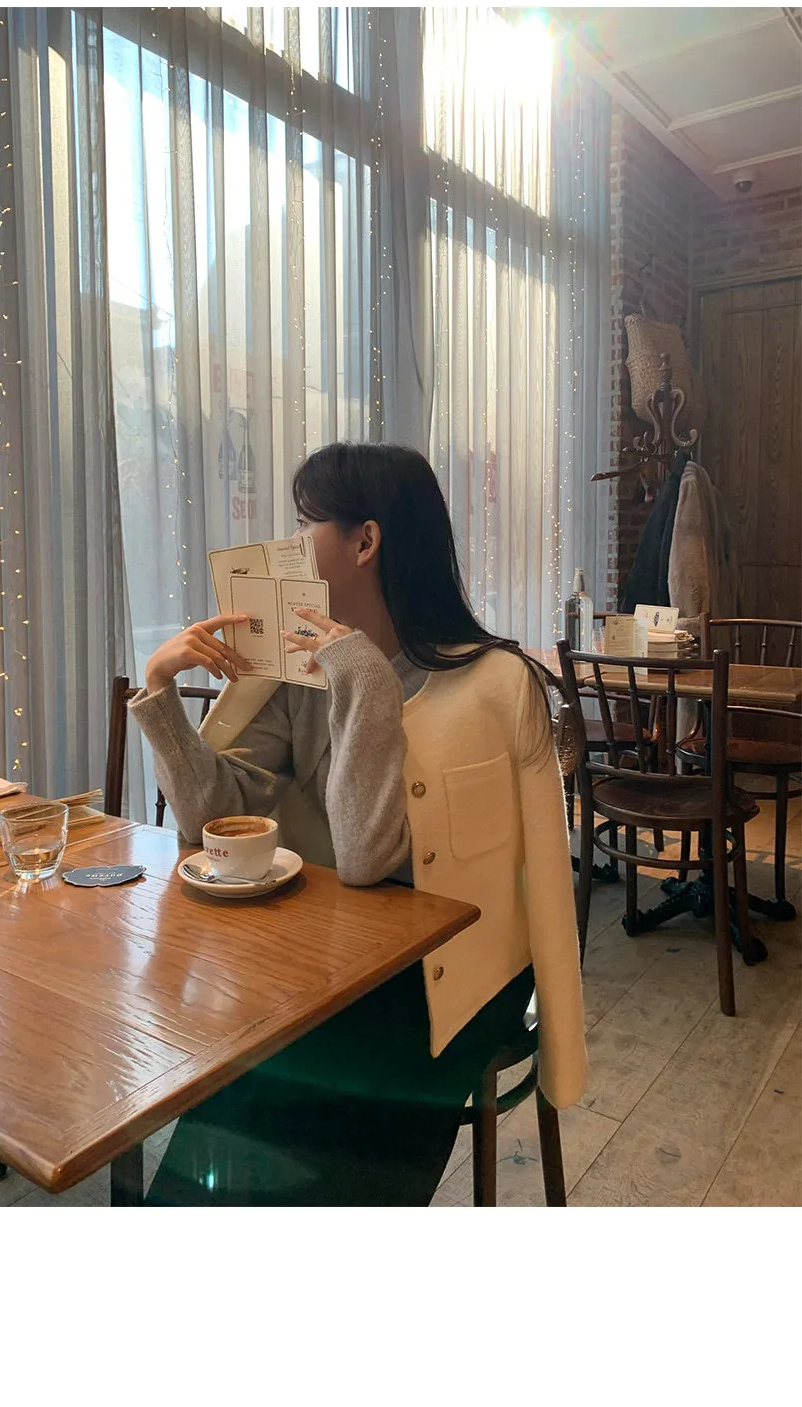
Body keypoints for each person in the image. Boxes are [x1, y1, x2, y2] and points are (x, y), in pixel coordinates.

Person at [130, 442, 586, 1206]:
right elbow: (216, 818)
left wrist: (564, 1052)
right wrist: (159, 690)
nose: (287, 542)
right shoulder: (297, 671)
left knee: (309, 1109)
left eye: (304, 523)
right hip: (329, 962)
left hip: (448, 981)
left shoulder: (495, 683)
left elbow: (371, 856)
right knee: (237, 1082)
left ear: (364, 541)